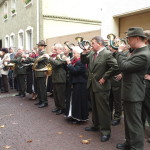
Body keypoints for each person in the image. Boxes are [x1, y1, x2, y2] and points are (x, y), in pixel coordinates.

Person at [112, 27, 150, 150]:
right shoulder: (136, 51)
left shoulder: (143, 54)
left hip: (134, 92)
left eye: (129, 38)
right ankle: (129, 143)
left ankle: (136, 147)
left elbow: (124, 66)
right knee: (129, 122)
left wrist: (119, 52)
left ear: (137, 38)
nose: (127, 40)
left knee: (135, 123)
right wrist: (124, 52)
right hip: (130, 90)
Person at [81, 36, 119, 142]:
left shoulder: (107, 54)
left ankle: (106, 131)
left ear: (99, 43)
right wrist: (84, 52)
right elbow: (84, 61)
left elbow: (115, 67)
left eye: (93, 43)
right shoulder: (92, 53)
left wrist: (105, 77)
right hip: (93, 84)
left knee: (103, 110)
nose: (91, 45)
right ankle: (96, 125)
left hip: (102, 86)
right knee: (95, 108)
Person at [65, 46, 89, 124]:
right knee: (74, 101)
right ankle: (73, 115)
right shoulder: (75, 61)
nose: (73, 54)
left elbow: (75, 71)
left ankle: (79, 117)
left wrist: (69, 64)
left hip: (80, 84)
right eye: (73, 53)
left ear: (79, 54)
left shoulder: (81, 62)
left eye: (74, 53)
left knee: (79, 101)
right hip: (75, 83)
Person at [49, 43, 67, 115]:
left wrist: (49, 58)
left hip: (60, 77)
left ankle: (62, 108)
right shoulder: (56, 56)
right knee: (56, 94)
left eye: (56, 49)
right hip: (55, 77)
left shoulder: (63, 56)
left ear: (60, 49)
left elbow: (58, 63)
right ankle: (57, 107)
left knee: (60, 94)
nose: (54, 51)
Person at [141, 30, 150, 143]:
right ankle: (140, 132)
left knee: (148, 109)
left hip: (148, 85)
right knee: (141, 110)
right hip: (142, 84)